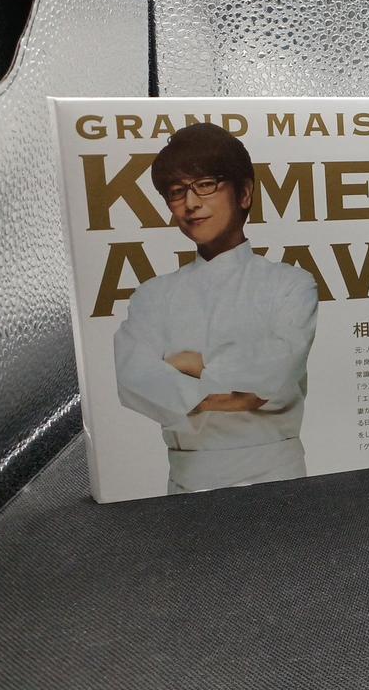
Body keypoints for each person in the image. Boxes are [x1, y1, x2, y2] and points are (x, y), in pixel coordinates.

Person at [114, 122, 319, 493]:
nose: (190, 203)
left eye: (206, 184)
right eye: (177, 192)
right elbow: (134, 382)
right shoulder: (152, 296)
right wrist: (241, 394)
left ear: (244, 193)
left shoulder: (291, 285)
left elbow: (276, 371)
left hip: (276, 476)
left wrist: (192, 366)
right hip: (188, 479)